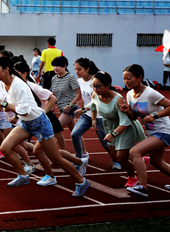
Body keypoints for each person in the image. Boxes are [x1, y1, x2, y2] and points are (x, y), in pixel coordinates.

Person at [0, 56, 90, 197]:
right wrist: (4, 106)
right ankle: (23, 176)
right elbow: (11, 105)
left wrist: (5, 104)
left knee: (56, 158)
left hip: (39, 123)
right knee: (5, 148)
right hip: (26, 123)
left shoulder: (19, 85)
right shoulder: (1, 84)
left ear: (6, 69)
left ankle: (81, 181)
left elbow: (23, 109)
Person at [76, 71, 146, 188]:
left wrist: (113, 134)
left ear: (108, 85)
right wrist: (83, 110)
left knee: (120, 158)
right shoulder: (95, 95)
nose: (95, 89)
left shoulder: (117, 99)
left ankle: (132, 177)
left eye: (98, 86)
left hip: (123, 129)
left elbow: (126, 121)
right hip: (109, 126)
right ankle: (140, 160)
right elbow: (94, 104)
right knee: (115, 157)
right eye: (93, 86)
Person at [122, 64, 170, 196]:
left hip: (164, 130)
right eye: (124, 79)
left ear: (139, 78)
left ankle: (142, 187)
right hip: (153, 133)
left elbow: (169, 106)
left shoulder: (150, 93)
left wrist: (155, 115)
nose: (126, 81)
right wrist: (128, 112)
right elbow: (134, 117)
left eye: (129, 78)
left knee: (135, 152)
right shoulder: (130, 94)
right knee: (157, 162)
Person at [71, 58, 120, 170]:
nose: (77, 72)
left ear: (88, 69)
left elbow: (96, 101)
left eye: (79, 69)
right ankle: (79, 159)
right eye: (75, 69)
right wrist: (82, 108)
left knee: (105, 143)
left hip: (100, 116)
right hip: (87, 115)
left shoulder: (95, 81)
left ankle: (116, 160)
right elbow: (85, 98)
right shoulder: (79, 81)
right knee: (74, 134)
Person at [50, 55, 81, 150]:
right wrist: (52, 105)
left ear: (65, 66)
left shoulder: (70, 77)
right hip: (60, 107)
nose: (55, 68)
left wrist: (70, 105)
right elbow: (53, 93)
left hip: (69, 109)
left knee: (55, 130)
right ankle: (83, 153)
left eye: (58, 66)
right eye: (54, 65)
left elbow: (79, 94)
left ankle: (58, 152)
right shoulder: (54, 78)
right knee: (75, 132)